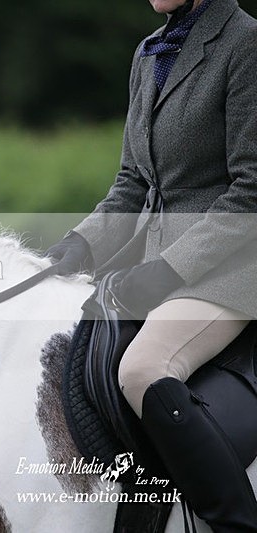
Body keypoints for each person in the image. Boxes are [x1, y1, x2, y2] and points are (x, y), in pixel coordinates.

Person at [46, 0, 257, 530]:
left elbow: (250, 189)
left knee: (143, 370)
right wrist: (80, 244)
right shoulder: (149, 53)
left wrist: (170, 268)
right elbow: (132, 184)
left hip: (234, 270)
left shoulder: (245, 43)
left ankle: (236, 522)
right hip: (163, 266)